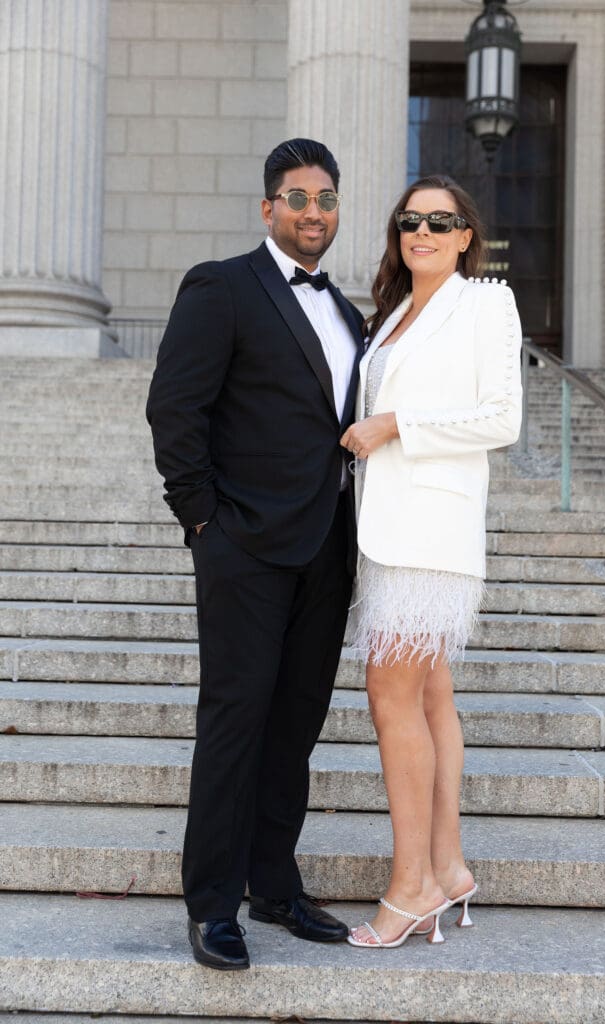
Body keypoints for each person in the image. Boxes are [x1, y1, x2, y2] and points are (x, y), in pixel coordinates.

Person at [147, 138, 365, 970]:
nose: (313, 212)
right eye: (298, 198)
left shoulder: (345, 312)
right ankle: (212, 903)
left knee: (295, 725)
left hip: (327, 546)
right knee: (235, 721)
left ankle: (273, 885)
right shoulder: (222, 286)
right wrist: (203, 521)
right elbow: (175, 407)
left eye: (326, 199)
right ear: (268, 207)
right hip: (243, 544)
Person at [340, 175, 522, 948]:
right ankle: (446, 866)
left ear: (464, 236)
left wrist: (395, 425)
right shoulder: (390, 315)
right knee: (429, 696)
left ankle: (410, 885)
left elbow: (502, 418)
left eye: (439, 222)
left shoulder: (484, 303)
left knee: (390, 695)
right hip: (381, 527)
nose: (421, 231)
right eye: (409, 220)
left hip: (430, 531)